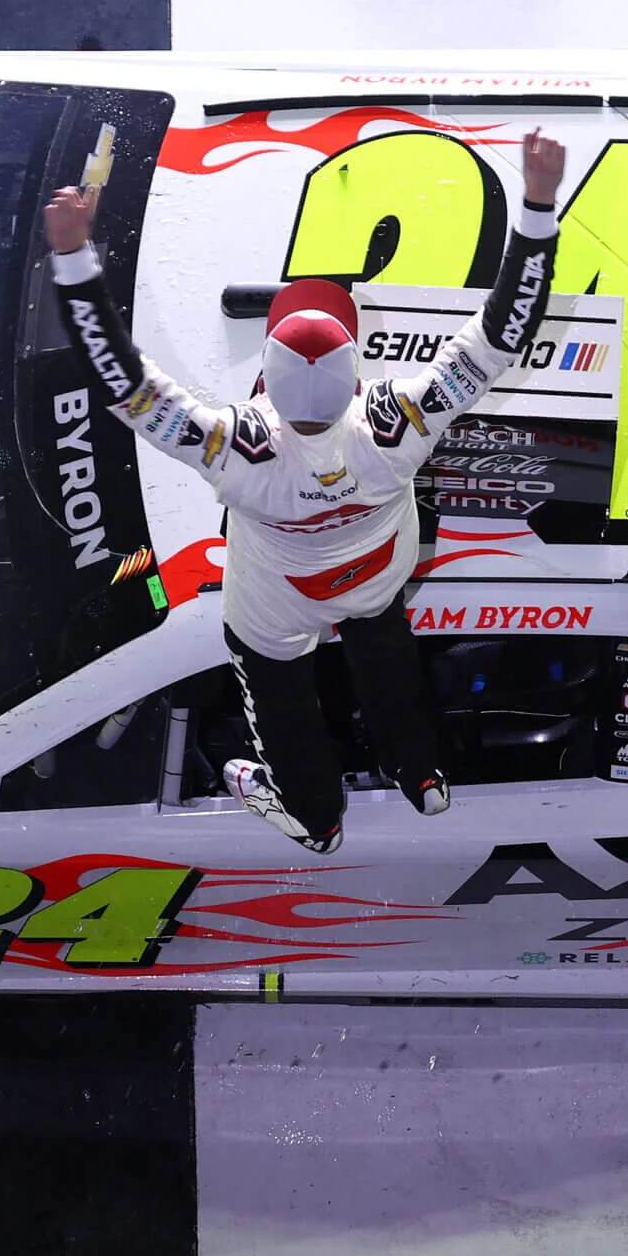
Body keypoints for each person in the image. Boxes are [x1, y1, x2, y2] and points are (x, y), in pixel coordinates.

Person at [44, 128, 567, 853]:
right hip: (374, 580)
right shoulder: (403, 420)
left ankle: (316, 820)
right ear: (356, 371)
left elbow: (121, 382)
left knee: (284, 711)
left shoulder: (228, 447)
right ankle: (420, 775)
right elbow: (504, 334)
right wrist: (536, 205)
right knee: (389, 665)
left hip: (275, 609)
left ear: (266, 370)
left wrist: (73, 258)